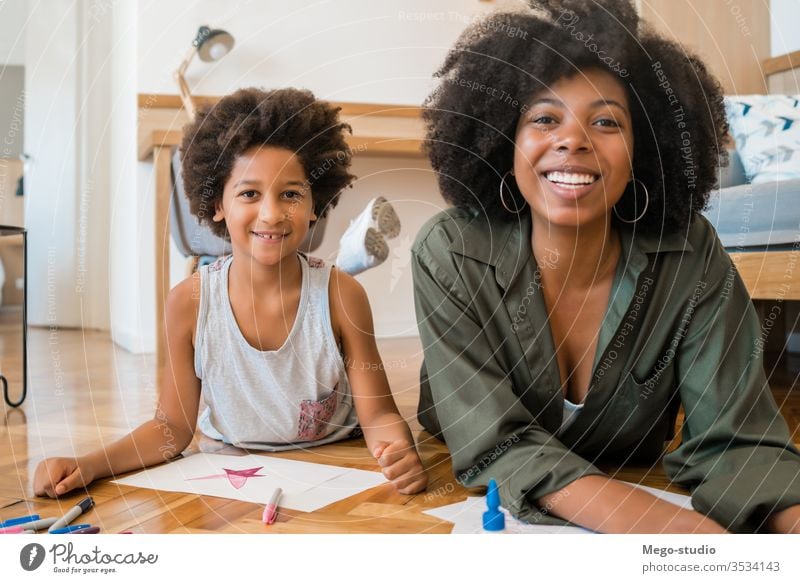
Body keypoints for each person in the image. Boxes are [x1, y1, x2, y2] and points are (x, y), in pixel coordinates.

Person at [412, 0, 800, 533]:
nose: (573, 139)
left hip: (625, 469)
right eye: (544, 118)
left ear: (644, 149)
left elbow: (738, 436)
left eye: (606, 121)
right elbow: (494, 440)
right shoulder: (450, 250)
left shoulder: (691, 253)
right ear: (504, 139)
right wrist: (673, 531)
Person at [34, 87, 428, 498]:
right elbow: (172, 428)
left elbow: (379, 414)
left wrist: (397, 449)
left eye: (291, 194)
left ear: (316, 204)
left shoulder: (343, 296)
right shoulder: (188, 303)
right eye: (249, 193)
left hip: (335, 463)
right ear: (217, 203)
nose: (272, 213)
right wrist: (90, 464)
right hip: (233, 472)